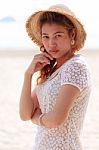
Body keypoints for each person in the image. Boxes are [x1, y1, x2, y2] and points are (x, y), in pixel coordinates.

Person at [19, 4, 91, 150]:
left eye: (58, 35)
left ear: (72, 35)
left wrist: (37, 118)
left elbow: (57, 119)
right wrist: (28, 75)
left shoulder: (76, 66)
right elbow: (25, 114)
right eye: (46, 37)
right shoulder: (52, 71)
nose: (51, 43)